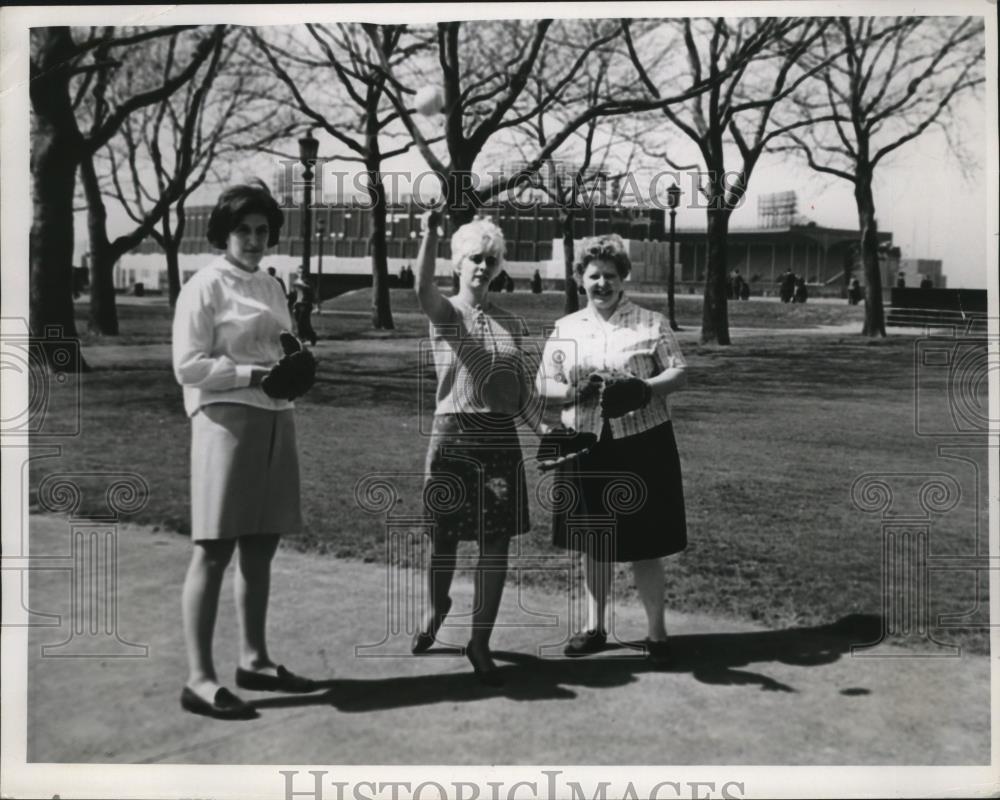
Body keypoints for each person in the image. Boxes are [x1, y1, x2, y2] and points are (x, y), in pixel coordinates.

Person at [172, 181, 319, 720]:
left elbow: (280, 348)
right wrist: (253, 372)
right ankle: (200, 677)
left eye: (262, 231)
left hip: (277, 418)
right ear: (224, 233)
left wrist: (296, 359)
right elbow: (186, 366)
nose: (254, 240)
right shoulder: (205, 286)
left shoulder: (271, 286)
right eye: (244, 231)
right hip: (225, 421)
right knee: (214, 548)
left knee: (262, 546)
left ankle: (254, 660)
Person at [537, 233, 688, 664]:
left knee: (645, 543)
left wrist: (643, 389)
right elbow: (541, 385)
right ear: (580, 280)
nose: (601, 283)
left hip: (643, 443)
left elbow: (680, 373)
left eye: (609, 275)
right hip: (586, 446)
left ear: (623, 277)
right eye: (593, 276)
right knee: (594, 541)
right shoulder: (566, 329)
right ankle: (594, 627)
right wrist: (570, 391)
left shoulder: (650, 322)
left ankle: (657, 633)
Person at [412, 208, 535, 687]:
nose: (482, 266)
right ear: (457, 264)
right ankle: (436, 605)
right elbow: (421, 290)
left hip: (500, 441)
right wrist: (429, 234)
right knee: (443, 539)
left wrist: (545, 431)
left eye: (490, 259)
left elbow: (520, 394)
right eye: (473, 258)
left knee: (495, 543)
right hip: (453, 438)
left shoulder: (512, 324)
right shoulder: (446, 312)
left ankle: (479, 641)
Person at [291, 266, 318, 346]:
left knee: (301, 321)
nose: (301, 274)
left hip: (306, 304)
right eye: (299, 272)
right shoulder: (295, 282)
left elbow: (313, 294)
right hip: (297, 304)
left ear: (305, 274)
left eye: (302, 272)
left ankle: (301, 337)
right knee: (303, 322)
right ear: (297, 273)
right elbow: (294, 294)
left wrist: (316, 306)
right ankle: (312, 336)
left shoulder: (308, 282)